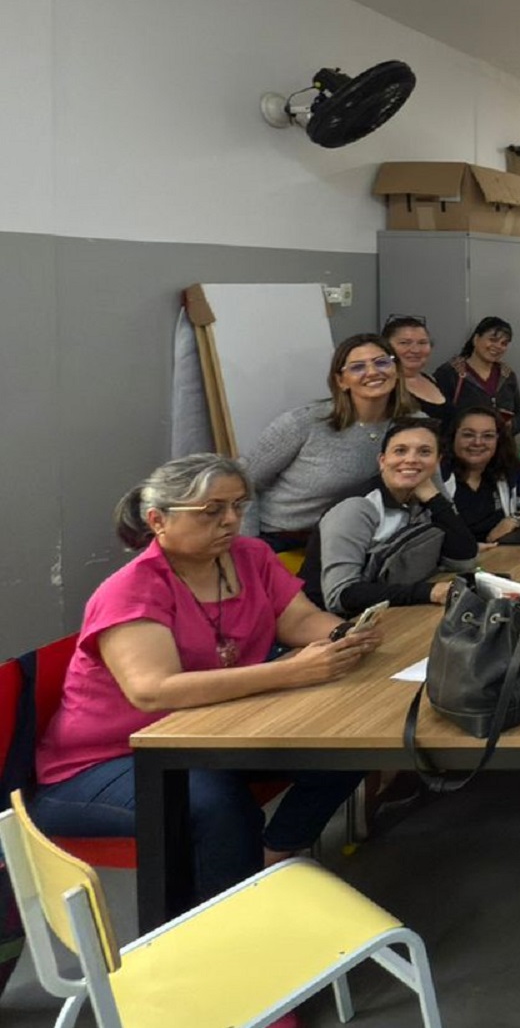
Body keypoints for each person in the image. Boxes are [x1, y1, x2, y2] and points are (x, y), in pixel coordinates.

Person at [32, 455, 379, 906]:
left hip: (210, 732)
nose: (231, 520)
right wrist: (289, 672)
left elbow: (296, 620)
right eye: (212, 510)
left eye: (238, 506)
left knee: (347, 747)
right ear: (158, 520)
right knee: (218, 805)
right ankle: (223, 922)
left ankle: (271, 860)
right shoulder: (132, 589)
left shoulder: (250, 556)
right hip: (110, 758)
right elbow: (153, 690)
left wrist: (344, 635)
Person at [247, 333, 418, 551]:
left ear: (397, 370)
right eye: (357, 367)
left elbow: (432, 487)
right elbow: (244, 482)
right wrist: (248, 549)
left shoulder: (413, 426)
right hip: (282, 540)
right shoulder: (304, 423)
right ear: (341, 381)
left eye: (382, 362)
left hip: (357, 540)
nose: (373, 372)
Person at [305, 419, 480, 615]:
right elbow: (341, 596)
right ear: (382, 461)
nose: (411, 459)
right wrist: (427, 592)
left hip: (394, 610)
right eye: (400, 451)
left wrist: (435, 500)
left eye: (424, 452)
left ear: (437, 461)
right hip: (328, 620)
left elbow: (463, 561)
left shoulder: (424, 499)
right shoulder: (356, 508)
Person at [444, 404, 520, 545]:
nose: (477, 442)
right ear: (453, 437)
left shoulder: (507, 470)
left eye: (488, 436)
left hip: (501, 553)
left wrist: (515, 520)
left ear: (499, 440)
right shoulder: (437, 477)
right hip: (455, 558)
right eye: (468, 435)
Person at [434, 316, 520, 434]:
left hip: (501, 443)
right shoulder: (450, 373)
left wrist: (510, 425)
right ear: (476, 339)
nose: (498, 346)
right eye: (493, 340)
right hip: (461, 443)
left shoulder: (507, 375)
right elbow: (437, 417)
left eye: (504, 343)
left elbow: (519, 413)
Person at [382, 314, 450, 421]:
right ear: (386, 347)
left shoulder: (434, 379)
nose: (415, 350)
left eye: (422, 343)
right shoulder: (383, 388)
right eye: (404, 343)